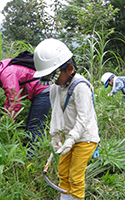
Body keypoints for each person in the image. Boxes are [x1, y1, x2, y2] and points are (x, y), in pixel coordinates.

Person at [33, 38, 100, 200]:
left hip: (85, 138)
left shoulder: (81, 87)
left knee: (76, 177)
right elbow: (55, 112)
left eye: (55, 76)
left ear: (69, 69)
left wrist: (71, 139)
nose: (53, 80)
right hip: (69, 137)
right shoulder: (56, 87)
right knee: (63, 173)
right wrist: (55, 135)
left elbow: (84, 118)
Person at [0, 53, 51, 155]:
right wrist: (5, 116)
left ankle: (32, 157)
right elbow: (9, 98)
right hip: (39, 92)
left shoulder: (6, 74)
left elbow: (15, 101)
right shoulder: (2, 73)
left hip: (43, 91)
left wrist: (8, 123)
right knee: (29, 124)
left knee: (34, 126)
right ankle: (30, 153)